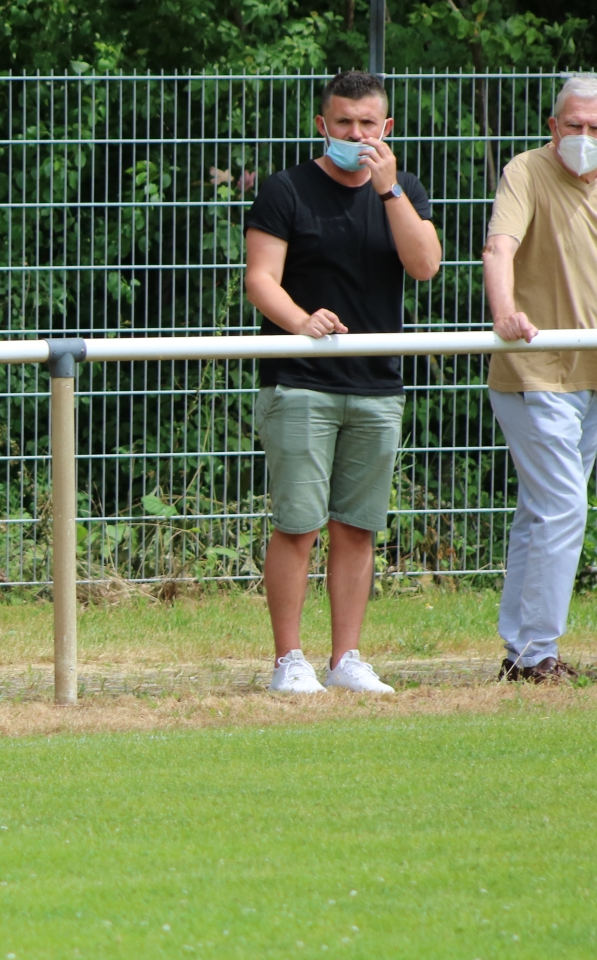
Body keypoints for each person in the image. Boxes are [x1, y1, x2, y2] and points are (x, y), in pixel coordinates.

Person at [243, 69, 441, 695]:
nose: (355, 135)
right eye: (343, 123)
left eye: (367, 124)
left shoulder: (403, 189)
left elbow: (425, 265)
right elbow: (260, 279)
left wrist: (389, 191)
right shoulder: (286, 190)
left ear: (386, 128)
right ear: (322, 125)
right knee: (299, 524)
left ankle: (346, 659)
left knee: (357, 527)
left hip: (377, 385)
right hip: (300, 382)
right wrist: (301, 321)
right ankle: (289, 661)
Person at [483, 74, 597, 683]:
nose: (584, 136)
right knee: (563, 506)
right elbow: (499, 248)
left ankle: (522, 651)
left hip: (591, 374)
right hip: (536, 369)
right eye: (573, 124)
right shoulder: (525, 171)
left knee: (541, 511)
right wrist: (504, 312)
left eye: (595, 127)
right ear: (553, 126)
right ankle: (537, 654)